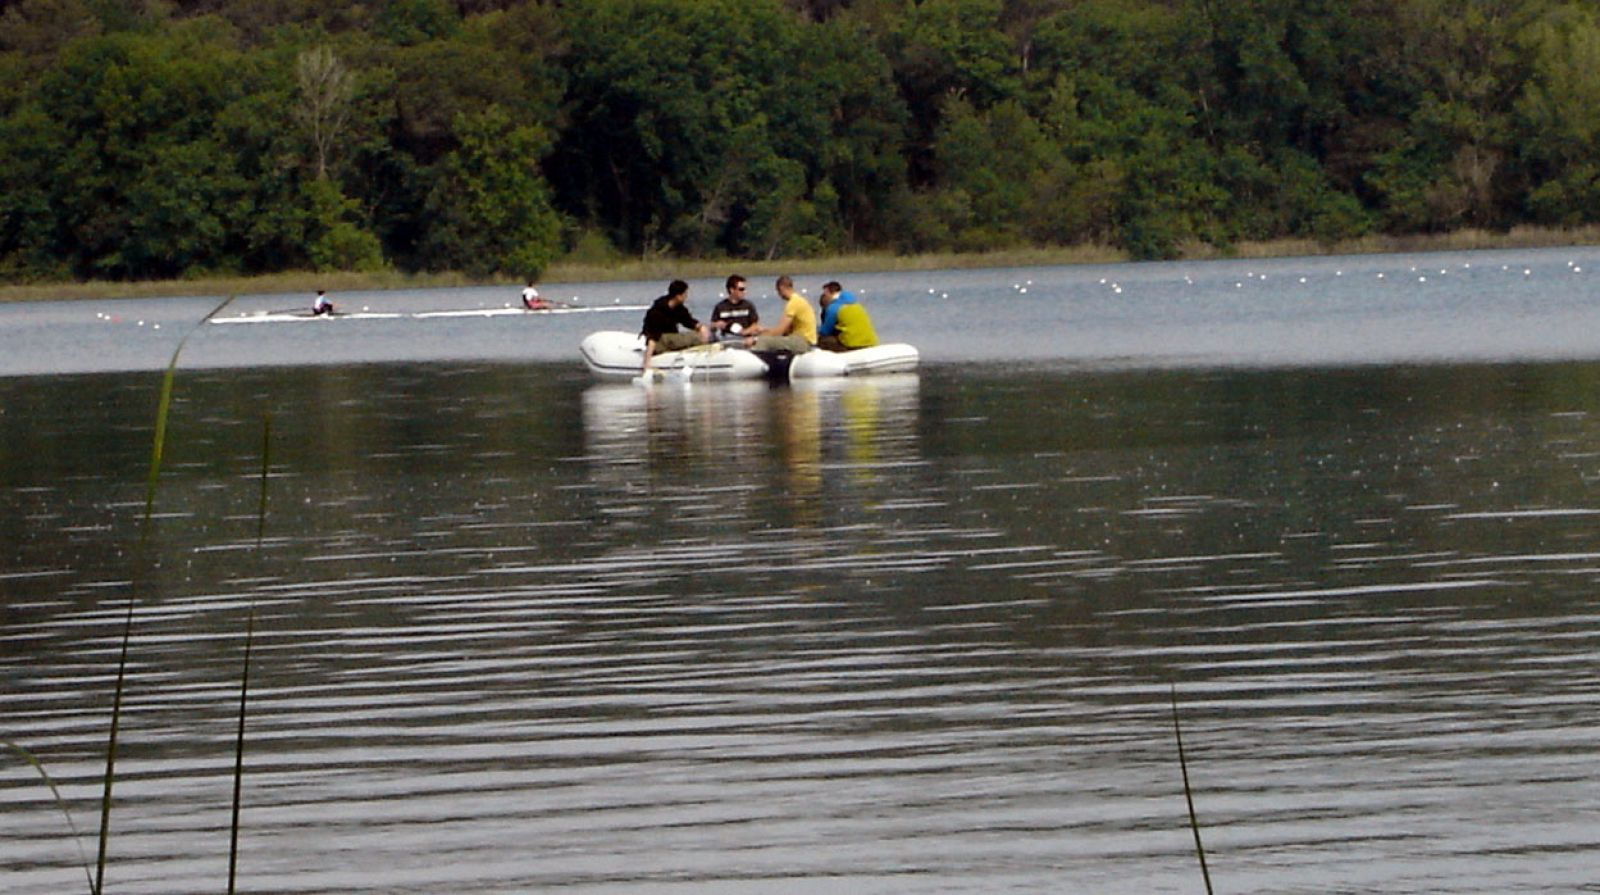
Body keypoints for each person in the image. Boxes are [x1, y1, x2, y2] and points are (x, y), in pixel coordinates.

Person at [640, 279, 711, 371]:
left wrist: (701, 327)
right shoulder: (657, 311)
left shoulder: (679, 309)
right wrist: (647, 361)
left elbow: (688, 321)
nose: (686, 297)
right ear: (678, 296)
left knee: (699, 332)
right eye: (685, 294)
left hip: (671, 339)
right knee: (693, 337)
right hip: (659, 341)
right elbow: (652, 336)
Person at [744, 274, 816, 354]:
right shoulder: (799, 300)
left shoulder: (793, 303)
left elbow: (779, 331)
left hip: (801, 342)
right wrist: (765, 331)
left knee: (764, 341)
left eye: (778, 291)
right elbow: (786, 330)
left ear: (781, 288)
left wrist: (756, 339)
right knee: (769, 339)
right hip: (805, 340)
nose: (779, 295)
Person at [817, 281, 878, 351]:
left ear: (828, 292)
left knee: (822, 340)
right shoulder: (856, 304)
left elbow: (825, 331)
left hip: (851, 344)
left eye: (825, 294)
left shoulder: (833, 308)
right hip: (870, 342)